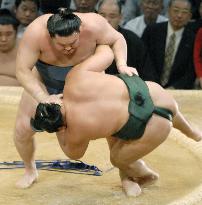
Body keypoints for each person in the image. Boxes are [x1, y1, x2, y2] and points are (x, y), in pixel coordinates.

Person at [30, 65, 202, 197]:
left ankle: (147, 176)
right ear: (55, 99)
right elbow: (105, 52)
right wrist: (121, 64)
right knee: (115, 126)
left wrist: (60, 132)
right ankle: (191, 131)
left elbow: (73, 154)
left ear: (61, 126)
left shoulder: (76, 130)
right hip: (153, 91)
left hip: (156, 124)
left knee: (117, 158)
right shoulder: (75, 77)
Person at [14, 8, 137, 188]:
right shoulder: (35, 32)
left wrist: (121, 64)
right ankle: (30, 170)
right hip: (47, 82)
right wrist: (44, 97)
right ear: (50, 35)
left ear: (80, 30)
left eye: (73, 42)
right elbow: (22, 70)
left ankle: (127, 176)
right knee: (22, 130)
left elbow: (117, 38)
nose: (68, 48)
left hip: (88, 83)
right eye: (61, 45)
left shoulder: (94, 24)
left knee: (114, 129)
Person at [142, 0, 195, 89]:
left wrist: (174, 88)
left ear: (189, 17)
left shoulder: (192, 38)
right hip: (149, 86)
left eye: (184, 12)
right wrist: (153, 85)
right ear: (168, 11)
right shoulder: (151, 31)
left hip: (178, 90)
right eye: (176, 10)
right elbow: (143, 61)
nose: (179, 15)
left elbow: (191, 72)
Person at [97, 0, 148, 76]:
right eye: (102, 15)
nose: (107, 20)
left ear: (120, 18)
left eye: (112, 16)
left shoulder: (134, 41)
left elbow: (147, 75)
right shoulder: (87, 38)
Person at [0, 8, 20, 86]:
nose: (3, 39)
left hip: (18, 95)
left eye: (8, 34)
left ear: (16, 34)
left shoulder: (26, 50)